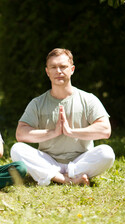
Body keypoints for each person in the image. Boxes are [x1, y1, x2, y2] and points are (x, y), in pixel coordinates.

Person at [10, 48, 115, 186]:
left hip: (80, 160)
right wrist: (53, 132)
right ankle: (66, 179)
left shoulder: (88, 99)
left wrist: (70, 132)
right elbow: (21, 134)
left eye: (63, 67)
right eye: (53, 67)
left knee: (107, 153)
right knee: (16, 149)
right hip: (48, 160)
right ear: (47, 72)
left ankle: (60, 175)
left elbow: (105, 130)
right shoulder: (37, 103)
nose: (58, 71)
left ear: (72, 69)